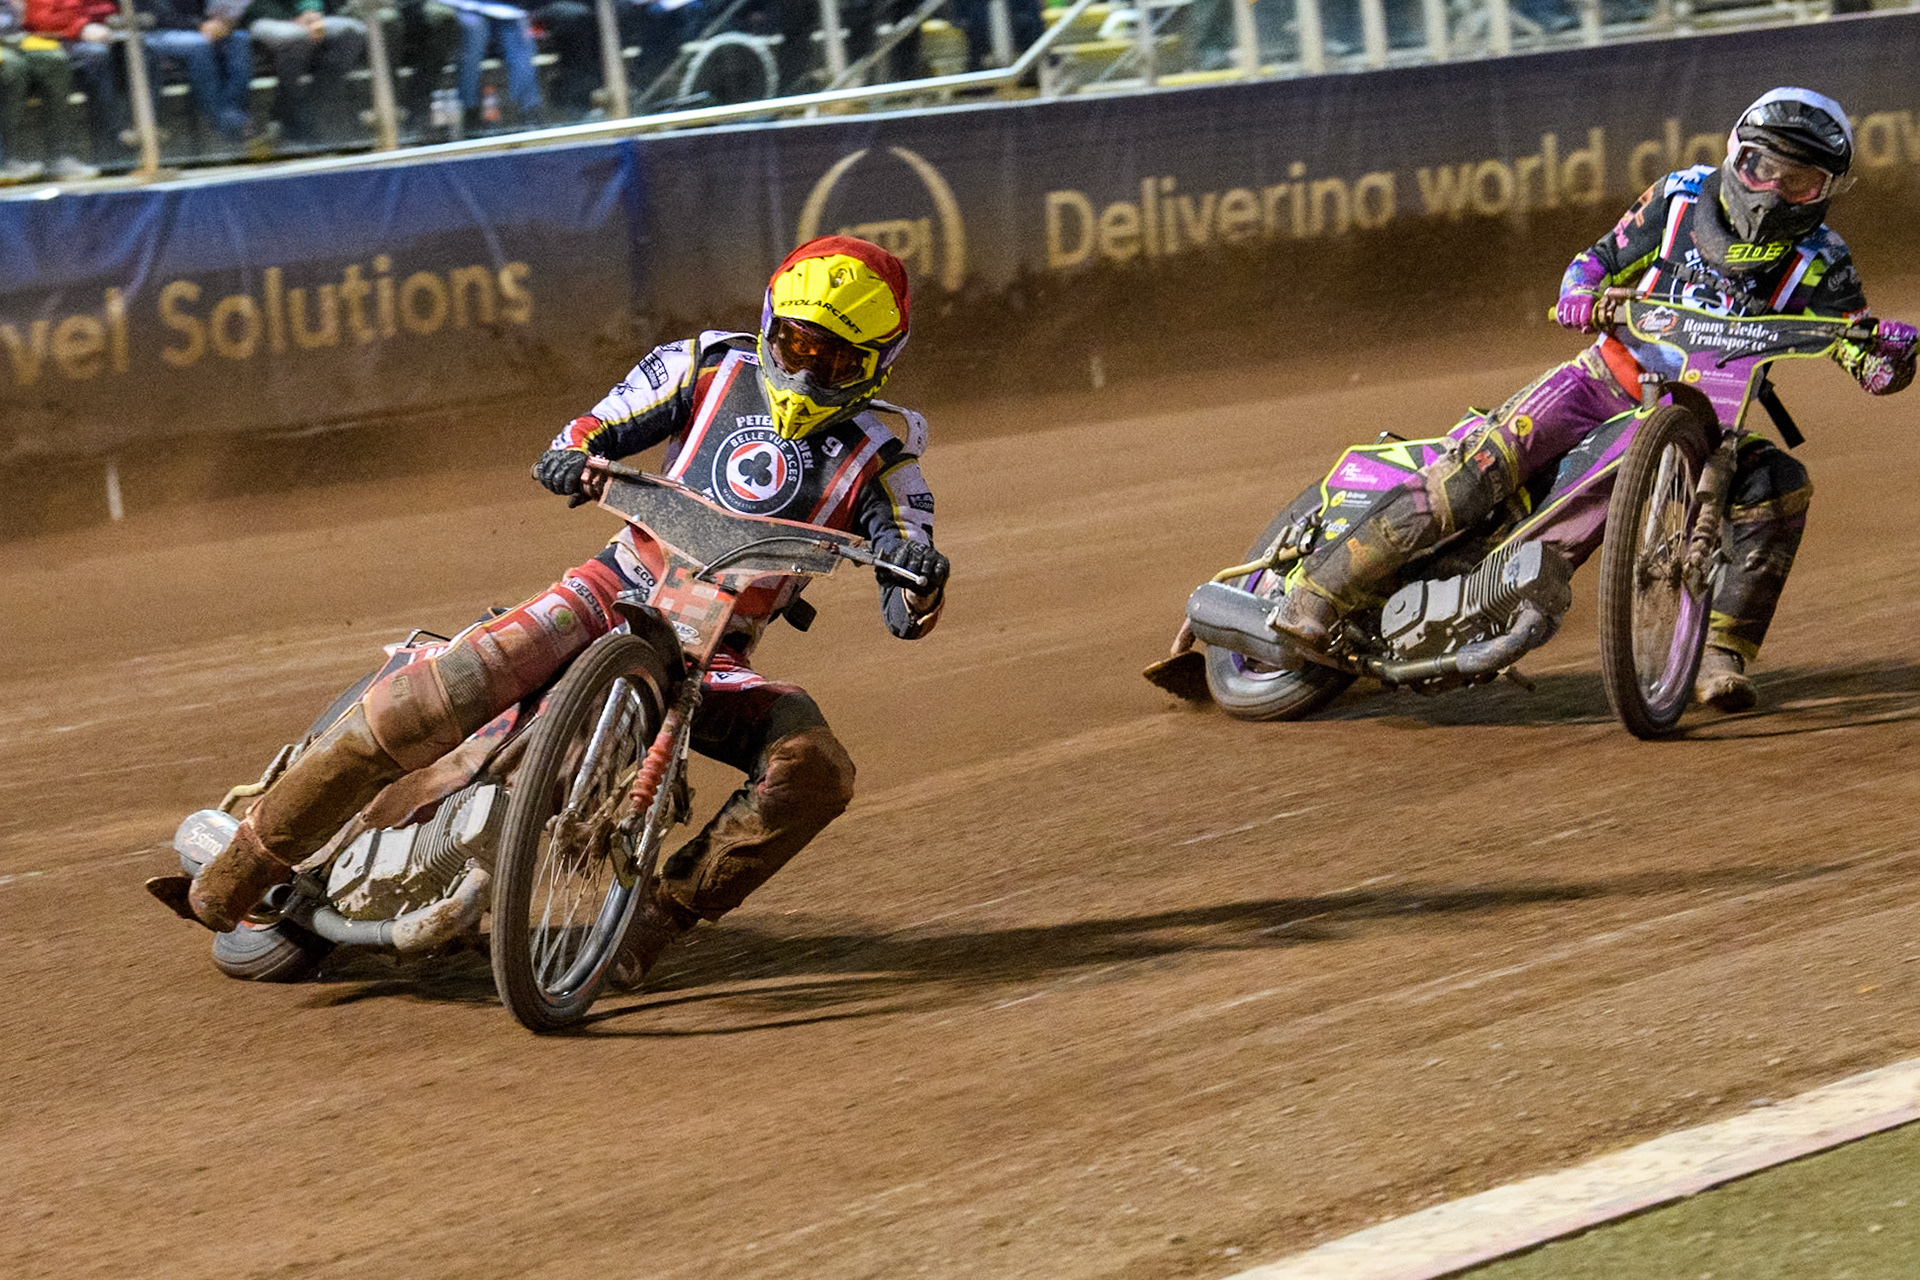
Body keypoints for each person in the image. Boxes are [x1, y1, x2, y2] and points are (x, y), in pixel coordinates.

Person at [160, 236, 950, 990]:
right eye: (801, 345)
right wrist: (572, 453)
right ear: (774, 326)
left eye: (838, 358)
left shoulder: (884, 454)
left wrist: (916, 573)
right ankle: (243, 870)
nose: (811, 372)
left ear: (879, 365)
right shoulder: (707, 365)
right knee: (427, 698)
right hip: (604, 592)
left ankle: (653, 921)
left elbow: (910, 589)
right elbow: (597, 424)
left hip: (714, 658)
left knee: (814, 768)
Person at [1270, 88, 1917, 713]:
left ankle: (1721, 656)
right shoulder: (1679, 197)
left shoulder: (1825, 259)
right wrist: (1581, 292)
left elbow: (1862, 358)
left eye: (1799, 181)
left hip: (1709, 419)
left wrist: (1892, 354)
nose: (1775, 190)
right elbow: (1594, 262)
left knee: (1780, 485)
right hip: (1602, 382)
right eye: (1762, 167)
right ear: (1735, 153)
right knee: (1483, 469)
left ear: (1827, 191)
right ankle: (1318, 593)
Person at [1, 0, 102, 179]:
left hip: (14, 39)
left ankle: (58, 158)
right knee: (11, 67)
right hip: (6, 50)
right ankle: (4, 160)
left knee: (54, 59)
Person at [242, 0, 367, 145]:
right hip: (264, 19)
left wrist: (311, 12)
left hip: (307, 19)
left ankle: (310, 111)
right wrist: (294, 20)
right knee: (295, 38)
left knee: (353, 33)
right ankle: (291, 121)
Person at [20, 0, 123, 164]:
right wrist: (81, 28)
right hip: (52, 42)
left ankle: (133, 140)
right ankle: (109, 153)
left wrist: (111, 22)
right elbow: (40, 21)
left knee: (136, 51)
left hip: (90, 38)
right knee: (95, 57)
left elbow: (101, 8)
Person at [138, 0, 254, 142]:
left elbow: (210, 8)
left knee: (239, 39)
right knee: (200, 46)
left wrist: (222, 23)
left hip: (197, 29)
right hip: (156, 32)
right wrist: (199, 25)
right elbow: (158, 16)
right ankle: (219, 118)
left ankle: (232, 111)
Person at [442, 0, 540, 128]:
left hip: (506, 9)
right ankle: (470, 113)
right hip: (465, 7)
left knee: (519, 38)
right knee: (472, 33)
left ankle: (527, 111)